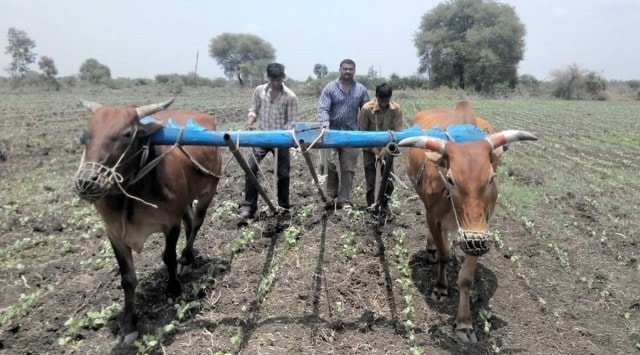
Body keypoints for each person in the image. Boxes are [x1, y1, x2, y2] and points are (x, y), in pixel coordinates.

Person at [239, 62, 299, 219]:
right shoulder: (259, 91)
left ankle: (284, 206)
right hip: (262, 136)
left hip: (281, 139)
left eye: (278, 79)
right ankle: (249, 207)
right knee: (250, 167)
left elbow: (292, 122)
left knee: (283, 173)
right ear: (268, 77)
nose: (276, 83)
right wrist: (250, 122)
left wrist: (281, 136)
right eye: (273, 79)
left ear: (283, 77)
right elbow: (254, 109)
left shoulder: (290, 96)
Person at [317, 59, 370, 211]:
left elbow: (366, 111)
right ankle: (330, 195)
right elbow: (323, 109)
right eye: (345, 69)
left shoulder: (361, 90)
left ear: (354, 71)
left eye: (350, 69)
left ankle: (344, 199)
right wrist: (325, 125)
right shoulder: (330, 88)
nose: (347, 71)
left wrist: (364, 132)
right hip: (331, 132)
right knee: (328, 165)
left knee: (348, 169)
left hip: (351, 134)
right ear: (340, 69)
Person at [357, 83, 403, 220]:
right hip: (369, 149)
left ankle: (385, 205)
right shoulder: (366, 109)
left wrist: (384, 150)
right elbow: (362, 132)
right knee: (371, 180)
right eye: (381, 100)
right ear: (376, 97)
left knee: (388, 180)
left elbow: (397, 132)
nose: (383, 103)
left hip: (387, 149)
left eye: (386, 100)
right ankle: (372, 207)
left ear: (390, 98)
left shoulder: (396, 109)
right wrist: (374, 151)